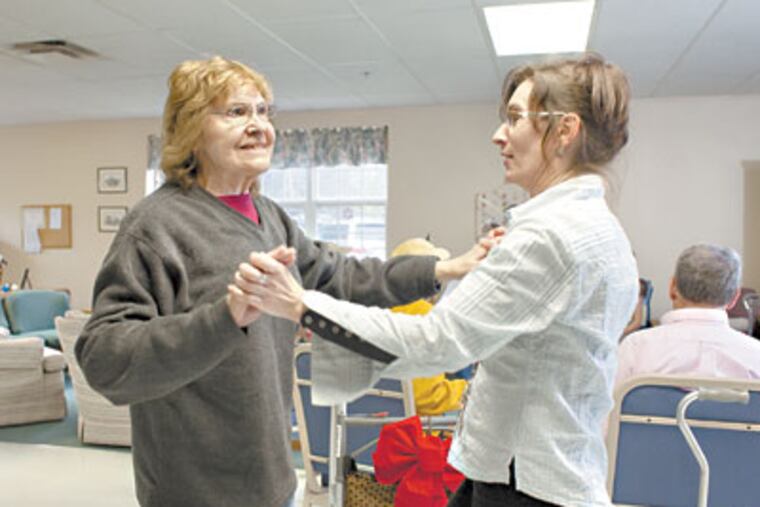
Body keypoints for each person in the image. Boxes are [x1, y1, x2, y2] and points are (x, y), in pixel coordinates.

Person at [75, 56, 489, 507]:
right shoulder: (155, 226)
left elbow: (340, 277)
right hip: (193, 488)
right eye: (236, 112)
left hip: (270, 477)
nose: (258, 125)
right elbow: (103, 357)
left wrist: (440, 270)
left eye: (263, 111)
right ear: (190, 129)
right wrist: (223, 318)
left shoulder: (269, 216)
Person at [233, 53, 639, 506]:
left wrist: (299, 304)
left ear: (564, 131)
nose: (499, 134)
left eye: (515, 118)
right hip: (525, 468)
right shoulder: (596, 228)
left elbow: (436, 341)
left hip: (524, 483)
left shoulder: (549, 236)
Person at [615, 244, 760, 389]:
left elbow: (608, 408)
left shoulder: (635, 348)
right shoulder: (755, 355)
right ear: (734, 298)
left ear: (672, 288)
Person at [389, 238, 468, 416]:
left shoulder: (371, 306)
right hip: (415, 432)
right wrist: (471, 388)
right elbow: (427, 398)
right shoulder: (422, 314)